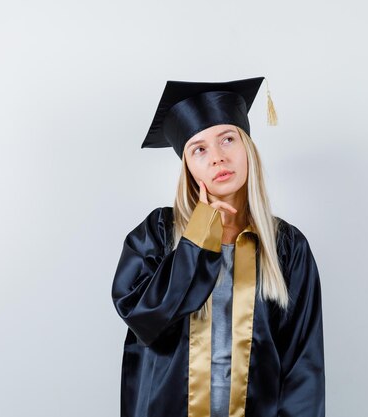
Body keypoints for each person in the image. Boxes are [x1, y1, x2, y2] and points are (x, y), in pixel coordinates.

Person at [111, 77, 325, 417]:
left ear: (247, 148)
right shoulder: (156, 235)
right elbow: (145, 321)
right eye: (199, 149)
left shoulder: (286, 246)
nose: (217, 158)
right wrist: (198, 238)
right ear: (187, 167)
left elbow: (302, 365)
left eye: (228, 139)